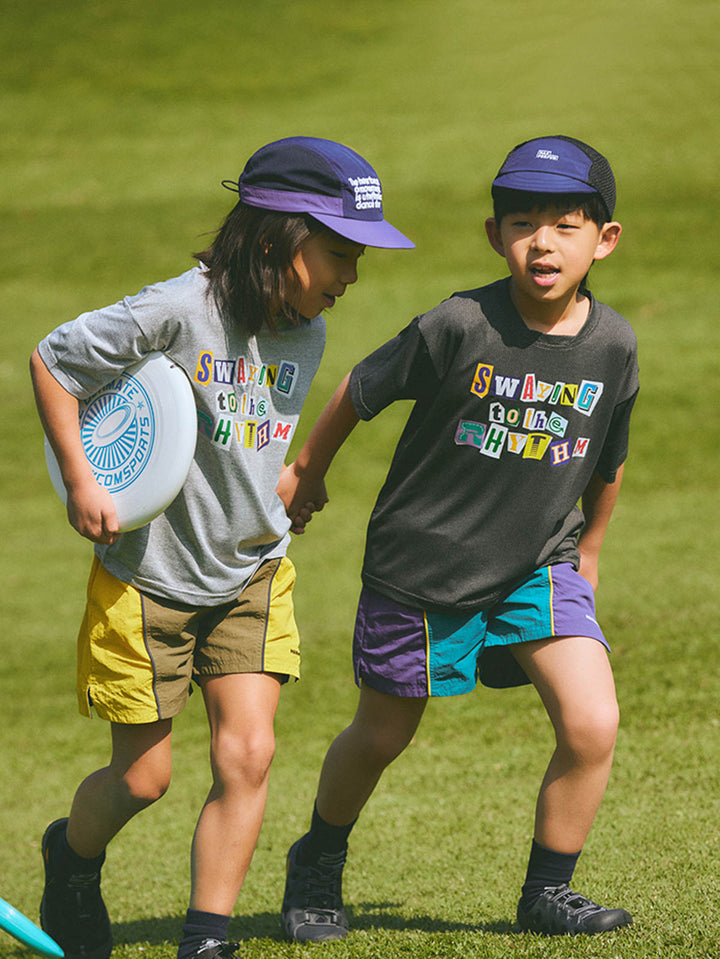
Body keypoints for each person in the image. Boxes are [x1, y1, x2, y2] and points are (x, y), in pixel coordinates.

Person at [30, 135, 414, 959]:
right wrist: (82, 478)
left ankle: (207, 940)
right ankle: (72, 854)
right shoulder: (177, 309)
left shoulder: (304, 331)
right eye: (341, 253)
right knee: (145, 778)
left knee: (249, 751)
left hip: (251, 568)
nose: (352, 275)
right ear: (280, 235)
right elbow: (54, 362)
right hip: (150, 580)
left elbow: (249, 442)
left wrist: (288, 488)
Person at [278, 135, 638, 941]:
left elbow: (607, 454)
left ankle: (548, 889)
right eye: (522, 221)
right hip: (423, 567)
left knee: (592, 720)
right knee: (384, 732)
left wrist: (592, 552)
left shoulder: (614, 343)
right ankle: (317, 860)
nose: (542, 241)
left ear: (603, 240)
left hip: (539, 562)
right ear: (493, 233)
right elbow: (361, 389)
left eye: (566, 223)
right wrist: (307, 467)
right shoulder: (459, 322)